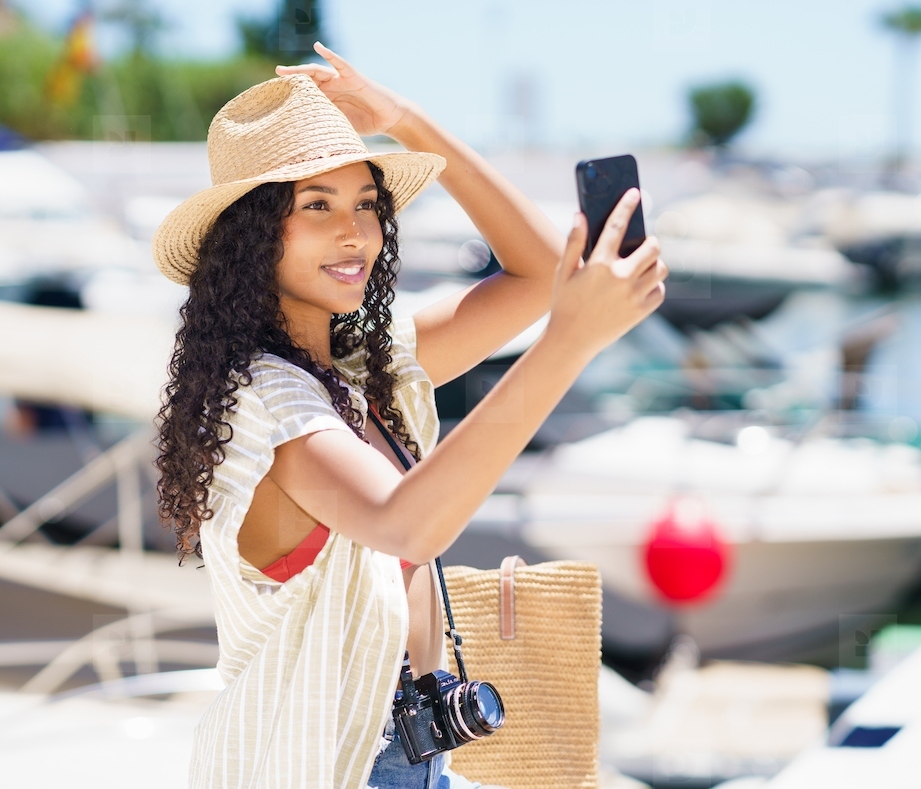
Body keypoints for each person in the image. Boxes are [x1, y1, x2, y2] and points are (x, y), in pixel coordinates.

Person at [152, 41, 666, 789]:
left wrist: (407, 120)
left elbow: (535, 273)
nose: (353, 232)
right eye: (316, 207)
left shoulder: (360, 365)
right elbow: (406, 523)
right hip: (321, 768)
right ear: (251, 239)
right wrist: (570, 342)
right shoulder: (265, 398)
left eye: (367, 204)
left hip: (415, 754)